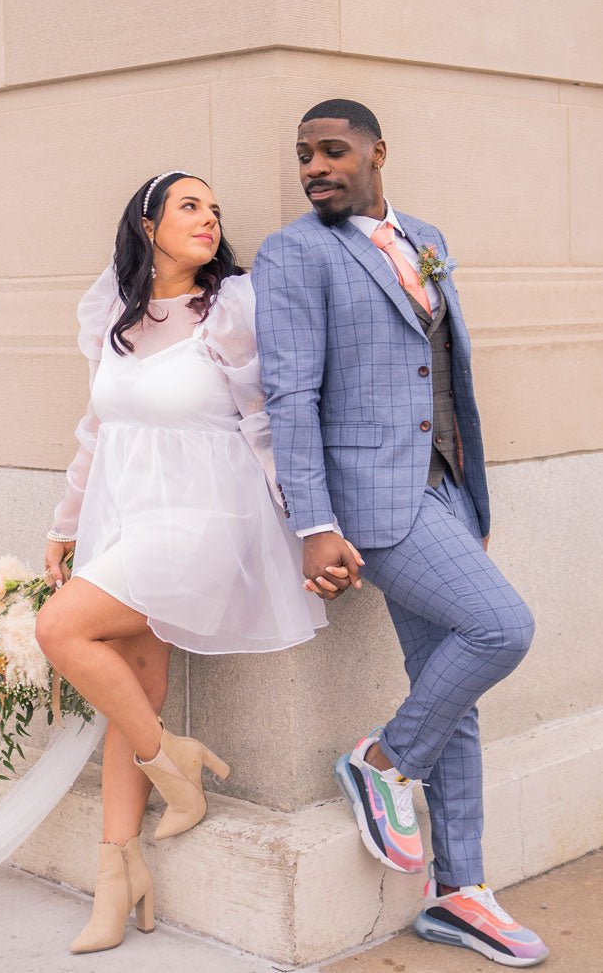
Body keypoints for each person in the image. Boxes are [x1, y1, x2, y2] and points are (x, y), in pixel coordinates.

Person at [252, 100, 549, 967]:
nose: (315, 166)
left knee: (450, 689)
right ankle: (384, 757)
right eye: (304, 154)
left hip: (448, 487)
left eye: (333, 150)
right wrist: (314, 523)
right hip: (374, 504)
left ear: (378, 153)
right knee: (502, 627)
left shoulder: (425, 235)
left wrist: (472, 502)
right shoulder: (294, 252)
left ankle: (460, 893)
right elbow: (291, 397)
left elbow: (446, 369)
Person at [36, 170, 361, 954]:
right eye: (190, 205)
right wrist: (65, 525)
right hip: (129, 520)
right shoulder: (112, 311)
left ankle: (172, 760)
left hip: (207, 524)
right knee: (134, 687)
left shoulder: (234, 306)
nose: (209, 218)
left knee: (62, 629)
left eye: (215, 209)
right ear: (147, 224)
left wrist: (311, 526)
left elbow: (269, 422)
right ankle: (119, 875)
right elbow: (96, 430)